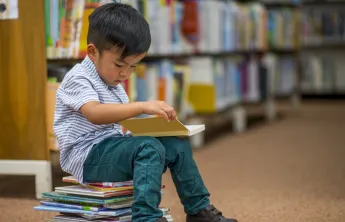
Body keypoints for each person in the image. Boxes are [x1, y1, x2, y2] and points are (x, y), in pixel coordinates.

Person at [54, 2, 238, 222]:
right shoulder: (78, 77)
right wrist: (142, 106)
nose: (126, 74)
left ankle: (198, 209)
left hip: (109, 148)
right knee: (148, 148)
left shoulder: (111, 80)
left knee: (175, 143)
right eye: (120, 64)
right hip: (85, 157)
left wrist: (156, 127)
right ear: (93, 52)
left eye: (133, 66)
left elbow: (117, 128)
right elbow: (94, 113)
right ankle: (145, 217)